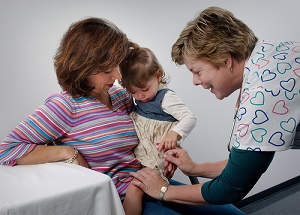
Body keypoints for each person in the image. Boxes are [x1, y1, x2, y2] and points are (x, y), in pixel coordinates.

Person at [0, 16, 244, 214]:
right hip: (122, 200)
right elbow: (7, 149)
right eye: (108, 70)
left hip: (151, 183)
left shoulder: (121, 96)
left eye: (118, 65)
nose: (117, 76)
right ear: (82, 68)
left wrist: (166, 152)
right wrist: (67, 152)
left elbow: (148, 129)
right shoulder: (64, 107)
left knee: (233, 214)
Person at [130, 6, 300, 206]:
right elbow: (245, 167)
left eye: (197, 71)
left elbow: (229, 189)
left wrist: (163, 190)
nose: (195, 81)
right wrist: (195, 168)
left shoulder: (260, 97)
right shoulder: (273, 54)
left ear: (225, 59)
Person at [119, 42, 197, 215]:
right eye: (133, 92)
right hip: (143, 154)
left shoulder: (166, 98)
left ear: (158, 75)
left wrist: (174, 134)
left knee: (135, 189)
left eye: (144, 89)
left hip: (157, 153)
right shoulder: (140, 96)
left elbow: (190, 118)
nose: (140, 96)